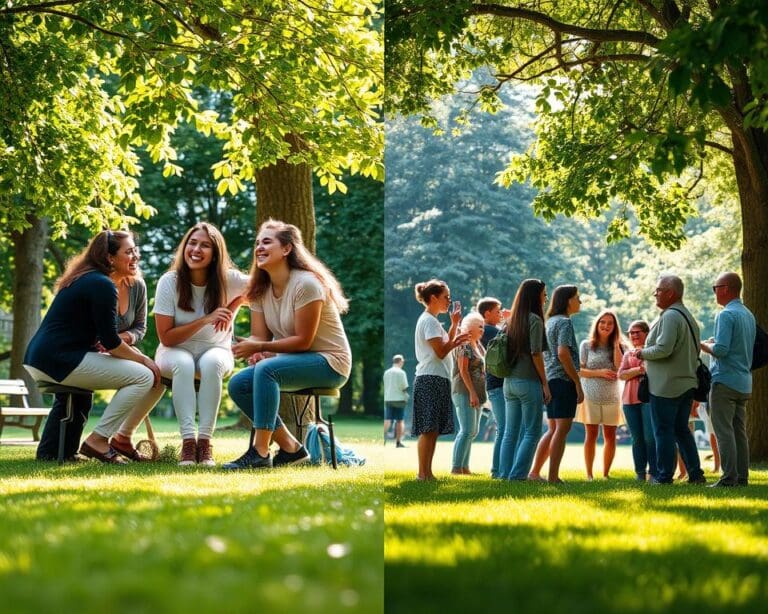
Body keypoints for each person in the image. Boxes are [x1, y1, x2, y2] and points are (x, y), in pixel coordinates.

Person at [24, 231, 162, 464]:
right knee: (143, 376)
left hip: (44, 357)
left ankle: (54, 453)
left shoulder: (88, 278)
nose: (135, 256)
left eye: (135, 250)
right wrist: (145, 361)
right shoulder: (102, 284)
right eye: (128, 252)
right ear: (109, 258)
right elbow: (111, 343)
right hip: (58, 358)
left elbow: (111, 339)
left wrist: (134, 353)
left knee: (80, 398)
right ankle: (99, 440)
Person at [224, 220, 351, 469]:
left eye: (267, 241)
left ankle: (260, 452)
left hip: (330, 363)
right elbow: (259, 338)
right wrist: (246, 346)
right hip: (291, 361)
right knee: (239, 383)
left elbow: (303, 341)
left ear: (286, 249)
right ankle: (291, 448)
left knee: (266, 370)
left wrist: (261, 350)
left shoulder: (307, 284)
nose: (259, 247)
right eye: (257, 242)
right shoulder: (259, 290)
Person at [154, 222, 249, 466]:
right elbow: (166, 337)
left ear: (216, 253)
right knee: (184, 363)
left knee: (213, 362)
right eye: (192, 243)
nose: (196, 249)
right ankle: (188, 443)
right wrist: (206, 319)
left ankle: (205, 443)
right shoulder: (169, 281)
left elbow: (264, 287)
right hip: (173, 350)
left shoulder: (230, 279)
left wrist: (235, 303)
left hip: (216, 349)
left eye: (205, 245)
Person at [631, 274, 706, 485]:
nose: (655, 293)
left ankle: (664, 477)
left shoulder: (671, 316)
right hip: (685, 383)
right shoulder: (688, 316)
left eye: (659, 290)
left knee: (663, 430)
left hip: (667, 386)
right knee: (682, 430)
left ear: (671, 293)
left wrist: (641, 353)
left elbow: (664, 348)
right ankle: (696, 474)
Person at [700, 272, 756, 487]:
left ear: (725, 288)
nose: (714, 291)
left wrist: (702, 345)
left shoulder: (725, 315)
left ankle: (728, 478)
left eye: (715, 287)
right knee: (739, 432)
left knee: (723, 431)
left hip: (725, 380)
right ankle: (742, 477)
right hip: (744, 382)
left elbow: (721, 350)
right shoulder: (748, 314)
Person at [410, 279, 468, 481]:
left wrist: (453, 325)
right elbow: (442, 351)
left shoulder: (433, 321)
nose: (449, 301)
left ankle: (427, 473)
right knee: (428, 429)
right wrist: (456, 341)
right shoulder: (429, 321)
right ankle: (423, 473)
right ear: (433, 298)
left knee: (433, 429)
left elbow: (445, 345)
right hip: (430, 378)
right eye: (446, 297)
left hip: (437, 378)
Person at [529, 285, 583, 484]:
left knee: (552, 429)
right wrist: (577, 383)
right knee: (562, 429)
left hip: (550, 380)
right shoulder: (565, 323)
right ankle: (553, 477)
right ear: (568, 300)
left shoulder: (549, 322)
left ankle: (535, 472)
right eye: (577, 297)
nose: (580, 301)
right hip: (563, 380)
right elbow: (562, 353)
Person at [498, 279, 551, 481]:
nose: (545, 298)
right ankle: (518, 476)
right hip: (528, 382)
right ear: (534, 295)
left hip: (509, 383)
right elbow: (536, 354)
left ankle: (504, 474)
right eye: (544, 294)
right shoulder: (535, 320)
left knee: (510, 433)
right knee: (531, 432)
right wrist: (545, 384)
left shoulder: (510, 321)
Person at [575, 310, 625, 480]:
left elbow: (619, 368)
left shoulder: (619, 347)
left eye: (610, 323)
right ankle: (589, 474)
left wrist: (617, 345)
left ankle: (605, 473)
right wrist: (600, 373)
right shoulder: (586, 345)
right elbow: (579, 371)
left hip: (612, 396)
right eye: (602, 322)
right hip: (590, 395)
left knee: (610, 436)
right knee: (591, 434)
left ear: (615, 327)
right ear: (597, 324)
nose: (606, 326)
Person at [618, 320, 657, 481]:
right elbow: (621, 375)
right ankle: (640, 473)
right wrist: (638, 370)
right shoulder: (628, 354)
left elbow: (652, 372)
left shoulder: (653, 352)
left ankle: (654, 472)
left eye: (637, 332)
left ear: (647, 334)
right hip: (629, 401)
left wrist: (632, 372)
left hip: (648, 399)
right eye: (631, 333)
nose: (633, 335)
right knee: (637, 438)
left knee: (649, 437)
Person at [451, 312, 487, 475]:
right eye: (480, 326)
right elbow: (463, 370)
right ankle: (456, 467)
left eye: (483, 327)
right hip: (464, 391)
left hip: (478, 392)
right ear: (470, 327)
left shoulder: (476, 345)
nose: (483, 330)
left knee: (473, 431)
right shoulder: (464, 344)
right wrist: (472, 393)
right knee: (466, 430)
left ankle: (465, 467)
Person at [477, 297, 507, 478]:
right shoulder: (489, 330)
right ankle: (497, 470)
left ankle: (500, 469)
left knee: (503, 428)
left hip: (495, 385)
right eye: (498, 311)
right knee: (504, 428)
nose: (501, 314)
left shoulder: (488, 330)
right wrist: (508, 322)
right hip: (498, 385)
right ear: (487, 313)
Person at [383, 354, 409, 447]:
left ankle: (383, 438)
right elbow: (404, 387)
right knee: (400, 420)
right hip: (399, 399)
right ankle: (398, 442)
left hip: (388, 398)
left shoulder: (386, 372)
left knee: (387, 419)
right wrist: (406, 396)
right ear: (400, 361)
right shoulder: (401, 372)